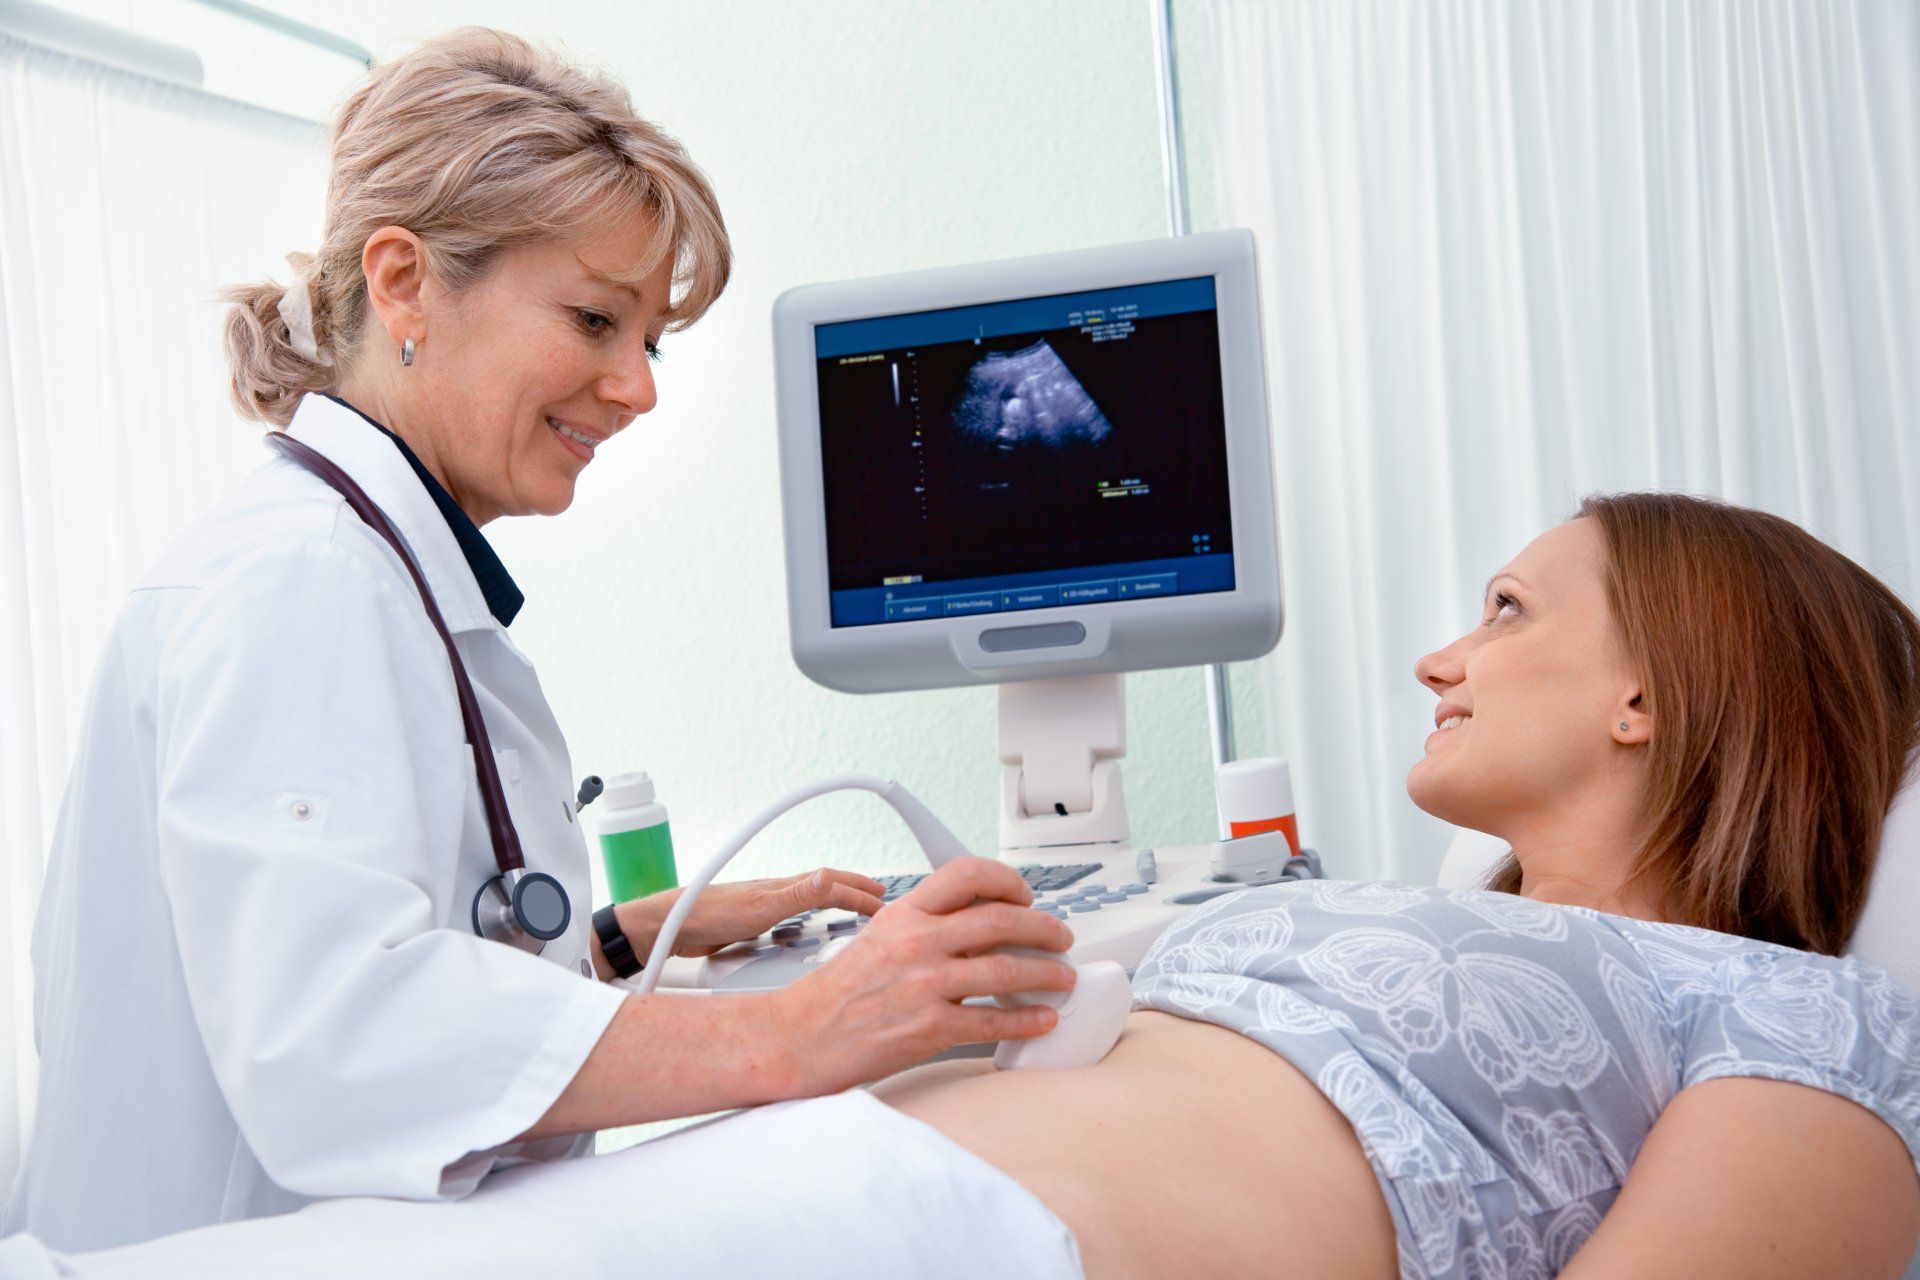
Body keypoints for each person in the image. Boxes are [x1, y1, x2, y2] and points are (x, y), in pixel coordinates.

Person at [0, 27, 1075, 1255]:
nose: (639, 387)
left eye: (650, 340)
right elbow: (340, 1044)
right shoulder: (293, 582)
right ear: (402, 280)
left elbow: (335, 946)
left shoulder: (360, 565)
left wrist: (612, 940)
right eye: (593, 320)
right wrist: (804, 1025)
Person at [869, 492, 1920, 1278]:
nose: (1437, 661)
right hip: (839, 1174)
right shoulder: (1387, 907)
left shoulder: (1797, 1013)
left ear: (1646, 692)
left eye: (1506, 610)